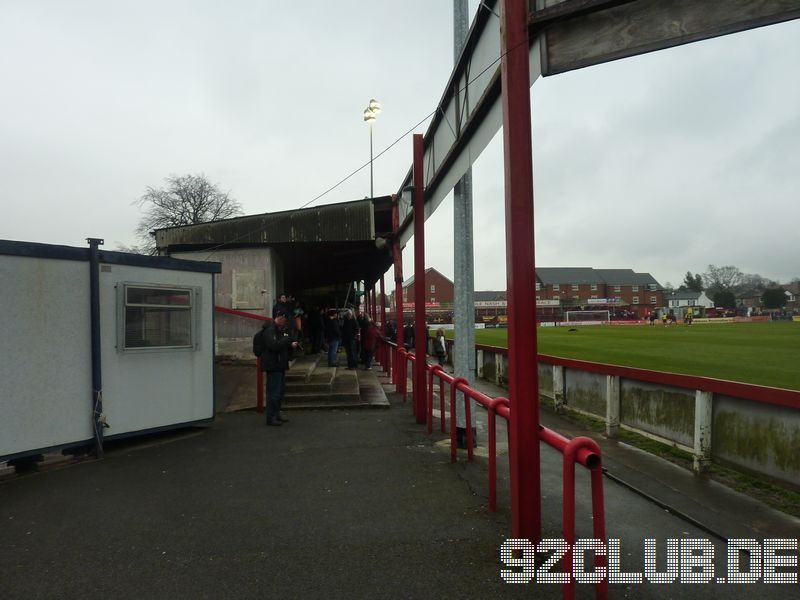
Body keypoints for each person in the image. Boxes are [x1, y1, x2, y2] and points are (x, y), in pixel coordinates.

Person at [259, 310, 299, 427]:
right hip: (274, 365)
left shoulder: (278, 330)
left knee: (279, 392)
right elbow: (274, 345)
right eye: (284, 321)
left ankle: (276, 414)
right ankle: (271, 417)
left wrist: (289, 343)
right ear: (280, 318)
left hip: (279, 365)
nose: (285, 323)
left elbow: (279, 344)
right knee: (274, 393)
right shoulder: (270, 330)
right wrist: (287, 340)